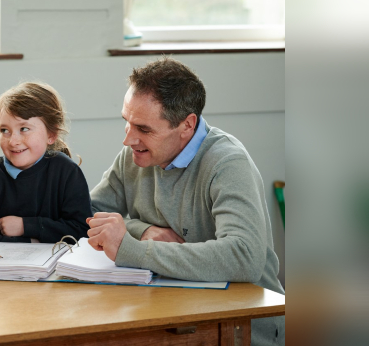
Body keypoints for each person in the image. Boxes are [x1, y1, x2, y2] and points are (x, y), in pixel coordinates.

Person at [87, 57, 285, 345]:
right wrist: (143, 231)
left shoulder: (228, 163)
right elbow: (88, 211)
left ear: (187, 125)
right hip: (171, 316)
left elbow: (245, 257)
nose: (128, 139)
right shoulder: (135, 155)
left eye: (144, 128)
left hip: (244, 329)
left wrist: (135, 250)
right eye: (126, 123)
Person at [0, 82, 92, 246]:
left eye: (24, 129)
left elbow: (81, 231)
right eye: (4, 130)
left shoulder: (68, 173)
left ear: (51, 134)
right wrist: (30, 241)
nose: (13, 141)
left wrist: (25, 226)